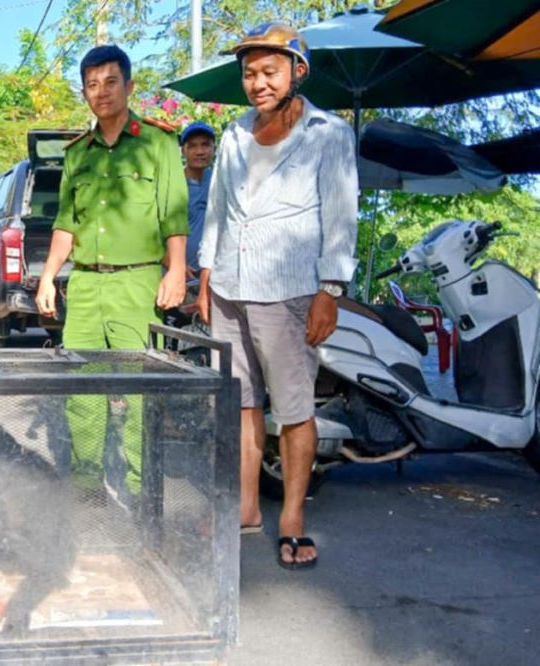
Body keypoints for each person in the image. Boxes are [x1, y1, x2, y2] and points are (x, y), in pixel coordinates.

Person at [195, 23, 358, 570]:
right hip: (229, 286)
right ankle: (245, 507)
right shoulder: (234, 134)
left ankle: (291, 518)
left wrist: (330, 290)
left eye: (269, 72)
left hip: (289, 290)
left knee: (292, 408)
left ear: (297, 72)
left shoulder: (328, 133)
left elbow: (341, 217)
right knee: (241, 401)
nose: (258, 83)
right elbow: (217, 212)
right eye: (249, 74)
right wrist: (205, 277)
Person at [36, 44, 188, 509]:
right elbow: (66, 222)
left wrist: (175, 271)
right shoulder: (77, 153)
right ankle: (87, 486)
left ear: (129, 85)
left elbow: (174, 214)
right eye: (92, 85)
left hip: (137, 282)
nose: (101, 92)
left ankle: (142, 491)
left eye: (110, 82)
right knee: (82, 389)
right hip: (85, 284)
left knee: (140, 391)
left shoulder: (158, 143)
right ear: (84, 92)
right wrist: (48, 276)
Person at [179, 121, 215, 275]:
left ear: (214, 148)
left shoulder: (219, 181)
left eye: (205, 145)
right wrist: (174, 263)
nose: (199, 152)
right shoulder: (174, 183)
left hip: (213, 274)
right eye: (192, 146)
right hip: (178, 273)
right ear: (183, 151)